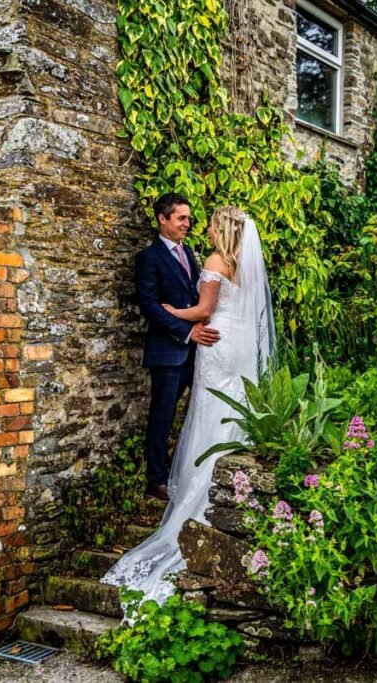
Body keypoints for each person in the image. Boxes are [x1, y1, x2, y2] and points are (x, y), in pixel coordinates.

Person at [103, 206, 276, 606]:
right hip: (230, 342)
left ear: (223, 230)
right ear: (162, 219)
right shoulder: (236, 264)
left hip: (211, 341)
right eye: (181, 218)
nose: (198, 226)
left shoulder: (214, 259)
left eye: (209, 224)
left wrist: (172, 312)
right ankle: (187, 476)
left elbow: (202, 309)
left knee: (208, 410)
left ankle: (200, 486)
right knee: (226, 407)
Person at [135, 193, 220, 502]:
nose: (188, 223)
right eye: (181, 218)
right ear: (162, 218)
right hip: (168, 351)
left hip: (196, 353)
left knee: (192, 414)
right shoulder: (149, 257)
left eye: (188, 217)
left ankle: (181, 471)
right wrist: (187, 332)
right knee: (163, 414)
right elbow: (150, 306)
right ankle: (156, 479)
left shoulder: (191, 254)